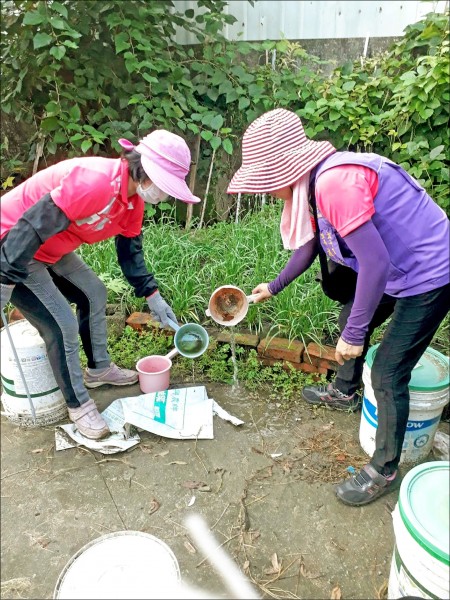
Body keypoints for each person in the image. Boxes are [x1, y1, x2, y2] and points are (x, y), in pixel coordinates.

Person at [227, 108, 449, 506]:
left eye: (264, 182)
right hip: (395, 267)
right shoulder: (315, 185)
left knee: (386, 372)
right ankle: (344, 392)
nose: (265, 192)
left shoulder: (335, 184)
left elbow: (375, 264)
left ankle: (384, 469)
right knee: (352, 312)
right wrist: (273, 287)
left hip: (430, 273)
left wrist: (354, 334)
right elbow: (312, 243)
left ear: (282, 172)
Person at [0, 130, 200, 440]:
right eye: (166, 187)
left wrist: (152, 295)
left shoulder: (133, 202)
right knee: (60, 324)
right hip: (14, 244)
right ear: (146, 173)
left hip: (51, 246)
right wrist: (5, 279)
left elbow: (130, 251)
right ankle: (78, 405)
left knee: (94, 292)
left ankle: (99, 369)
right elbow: (32, 225)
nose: (167, 195)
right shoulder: (94, 182)